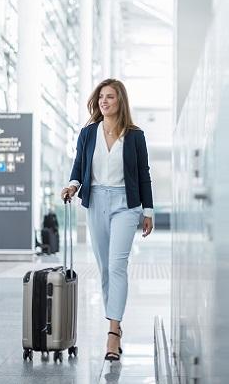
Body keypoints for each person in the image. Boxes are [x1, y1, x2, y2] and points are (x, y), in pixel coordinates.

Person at [61, 78, 154, 362]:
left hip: (126, 205)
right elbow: (79, 166)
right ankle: (115, 321)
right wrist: (72, 185)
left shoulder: (135, 135)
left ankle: (112, 333)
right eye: (101, 96)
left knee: (117, 266)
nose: (104, 101)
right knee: (104, 269)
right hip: (97, 201)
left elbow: (143, 173)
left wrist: (147, 210)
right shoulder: (88, 133)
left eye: (110, 97)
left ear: (120, 101)